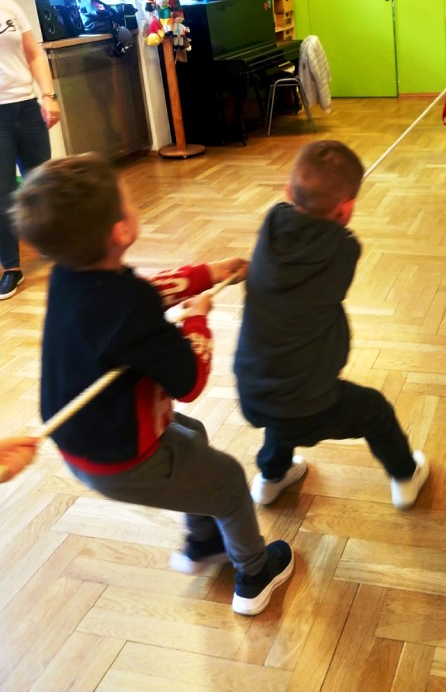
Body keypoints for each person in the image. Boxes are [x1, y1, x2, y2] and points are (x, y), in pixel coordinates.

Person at [12, 153, 293, 616]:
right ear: (121, 230)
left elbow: (143, 294)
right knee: (227, 480)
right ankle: (254, 574)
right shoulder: (129, 304)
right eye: (128, 199)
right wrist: (197, 321)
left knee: (193, 436)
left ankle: (204, 543)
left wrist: (207, 274)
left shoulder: (70, 275)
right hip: (123, 459)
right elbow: (190, 381)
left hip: (87, 444)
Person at [234, 141, 430, 511]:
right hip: (309, 403)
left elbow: (299, 214)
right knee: (374, 411)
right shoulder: (343, 250)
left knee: (282, 409)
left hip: (252, 391)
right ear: (347, 209)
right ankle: (406, 474)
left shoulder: (272, 224)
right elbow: (338, 241)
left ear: (288, 191)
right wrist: (338, 213)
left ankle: (271, 477)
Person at [0, 0, 60, 300]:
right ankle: (11, 267)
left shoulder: (9, 7)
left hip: (26, 106)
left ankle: (51, 242)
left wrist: (48, 96)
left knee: (40, 182)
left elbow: (34, 53)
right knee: (2, 191)